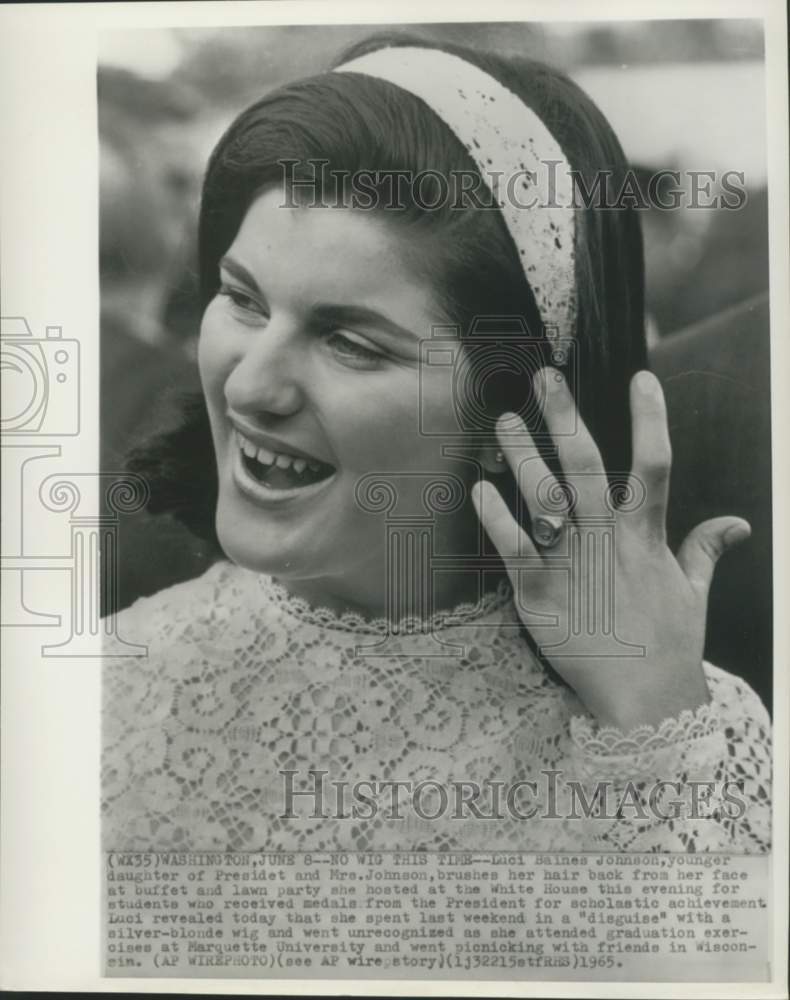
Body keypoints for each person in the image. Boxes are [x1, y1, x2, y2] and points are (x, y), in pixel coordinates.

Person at [102, 34, 771, 854]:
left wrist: (652, 719)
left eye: (350, 342)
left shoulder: (679, 730)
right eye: (242, 300)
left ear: (511, 412)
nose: (248, 388)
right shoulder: (101, 689)